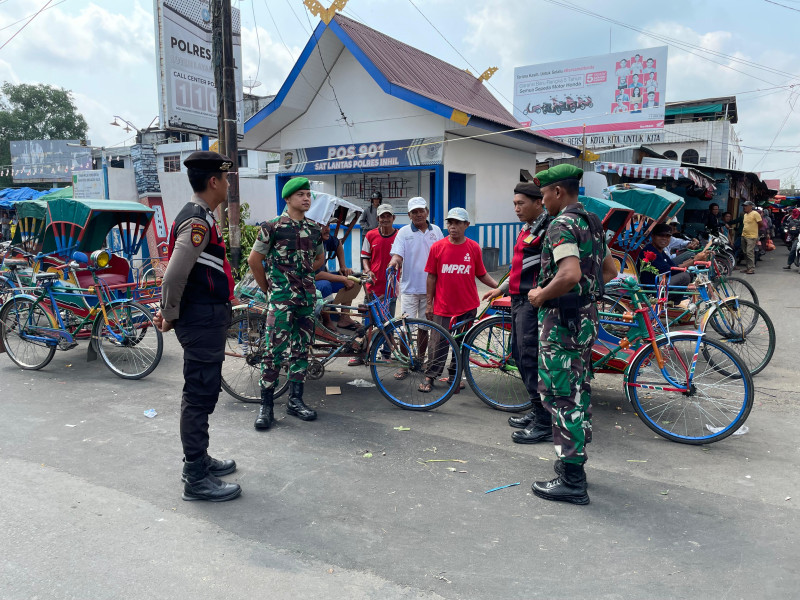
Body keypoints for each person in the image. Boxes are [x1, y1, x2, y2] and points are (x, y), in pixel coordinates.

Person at [526, 164, 618, 505]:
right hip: (585, 320)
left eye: (545, 193)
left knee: (561, 395)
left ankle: (572, 480)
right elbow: (610, 269)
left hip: (561, 323)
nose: (543, 200)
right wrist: (586, 295)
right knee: (577, 391)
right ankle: (572, 462)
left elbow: (568, 273)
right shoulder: (592, 223)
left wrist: (541, 295)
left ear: (558, 192)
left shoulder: (561, 225)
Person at [155, 151, 241, 503]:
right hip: (201, 319)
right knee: (199, 394)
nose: (228, 183)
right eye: (226, 177)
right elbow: (175, 273)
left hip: (207, 317)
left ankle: (200, 458)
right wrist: (168, 313)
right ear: (213, 182)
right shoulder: (198, 220)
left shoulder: (202, 216)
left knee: (203, 392)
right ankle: (195, 476)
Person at [248, 177, 325, 430]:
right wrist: (268, 287)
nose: (306, 198)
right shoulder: (272, 227)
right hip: (280, 300)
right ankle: (266, 407)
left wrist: (303, 274)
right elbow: (254, 260)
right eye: (301, 194)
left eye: (308, 194)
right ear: (288, 199)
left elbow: (320, 258)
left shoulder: (315, 228)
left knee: (301, 350)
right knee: (273, 353)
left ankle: (295, 401)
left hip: (305, 299)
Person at [483, 182, 553, 443]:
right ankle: (536, 411)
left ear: (538, 203)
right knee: (518, 355)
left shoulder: (548, 230)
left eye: (521, 203)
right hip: (516, 300)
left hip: (531, 303)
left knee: (529, 358)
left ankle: (544, 421)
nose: (516, 209)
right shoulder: (527, 229)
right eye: (514, 204)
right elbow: (518, 267)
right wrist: (499, 289)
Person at [421, 208, 498, 393]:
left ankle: (455, 376)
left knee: (462, 343)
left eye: (457, 223)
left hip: (466, 307)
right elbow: (431, 277)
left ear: (466, 225)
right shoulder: (437, 247)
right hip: (443, 306)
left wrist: (499, 288)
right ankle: (430, 376)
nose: (452, 227)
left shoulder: (473, 247)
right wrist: (429, 303)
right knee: (437, 343)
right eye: (450, 223)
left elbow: (481, 274)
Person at [386, 197, 444, 379]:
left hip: (431, 289)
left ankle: (419, 360)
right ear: (409, 215)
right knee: (405, 328)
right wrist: (394, 262)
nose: (418, 214)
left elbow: (443, 255)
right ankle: (404, 363)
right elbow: (397, 254)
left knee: (424, 328)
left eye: (421, 211)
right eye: (414, 212)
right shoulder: (403, 232)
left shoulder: (437, 231)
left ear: (427, 211)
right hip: (409, 288)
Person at [345, 203, 400, 367]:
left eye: (388, 216)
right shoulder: (370, 235)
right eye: (382, 216)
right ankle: (363, 353)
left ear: (393, 218)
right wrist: (368, 270)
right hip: (372, 286)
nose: (385, 219)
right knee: (367, 322)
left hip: (390, 287)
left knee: (388, 322)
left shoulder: (399, 236)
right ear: (377, 219)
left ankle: (386, 353)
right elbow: (365, 257)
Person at [638, 223, 710, 296]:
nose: (664, 239)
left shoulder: (660, 252)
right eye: (661, 235)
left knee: (688, 271)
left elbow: (674, 266)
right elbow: (671, 271)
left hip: (660, 282)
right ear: (653, 236)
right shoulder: (649, 252)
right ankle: (674, 302)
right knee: (684, 276)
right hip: (651, 288)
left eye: (667, 236)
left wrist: (694, 260)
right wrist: (694, 261)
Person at [315, 223, 361, 330]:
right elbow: (316, 275)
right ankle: (327, 321)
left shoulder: (325, 239)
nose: (327, 229)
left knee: (352, 278)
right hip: (310, 281)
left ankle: (344, 317)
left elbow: (338, 243)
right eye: (323, 226)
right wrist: (342, 279)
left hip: (321, 276)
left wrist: (343, 267)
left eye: (328, 225)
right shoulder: (310, 242)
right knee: (325, 285)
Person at [740, 200, 762, 274]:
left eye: (746, 206)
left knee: (749, 252)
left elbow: (760, 224)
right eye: (744, 206)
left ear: (751, 206)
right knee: (744, 252)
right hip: (744, 235)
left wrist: (756, 231)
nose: (744, 207)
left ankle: (751, 268)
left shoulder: (755, 213)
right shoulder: (745, 215)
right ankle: (748, 268)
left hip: (752, 236)